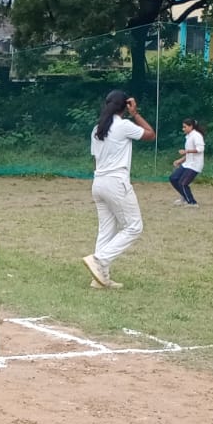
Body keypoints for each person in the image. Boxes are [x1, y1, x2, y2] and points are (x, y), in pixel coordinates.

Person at [82, 89, 155, 290]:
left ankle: (101, 278)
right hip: (116, 181)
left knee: (107, 230)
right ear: (126, 106)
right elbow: (150, 135)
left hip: (99, 182)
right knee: (134, 226)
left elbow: (95, 157)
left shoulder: (97, 129)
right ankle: (99, 260)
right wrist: (136, 114)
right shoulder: (124, 125)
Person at [169, 118, 205, 207]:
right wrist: (180, 161)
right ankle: (184, 197)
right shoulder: (189, 136)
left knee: (183, 183)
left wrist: (186, 151)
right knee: (173, 178)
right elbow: (189, 154)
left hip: (195, 165)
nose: (183, 129)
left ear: (191, 126)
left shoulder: (197, 136)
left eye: (185, 127)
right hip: (187, 164)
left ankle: (192, 203)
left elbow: (200, 149)